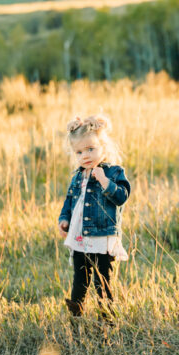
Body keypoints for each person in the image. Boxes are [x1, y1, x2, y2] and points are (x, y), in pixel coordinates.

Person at [57, 114, 131, 319]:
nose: (85, 156)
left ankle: (107, 318)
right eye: (79, 152)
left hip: (102, 238)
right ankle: (76, 315)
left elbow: (122, 197)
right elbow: (70, 201)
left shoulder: (114, 172)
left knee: (102, 280)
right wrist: (64, 219)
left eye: (91, 149)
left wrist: (106, 183)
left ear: (103, 147)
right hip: (80, 237)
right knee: (80, 277)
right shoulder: (78, 175)